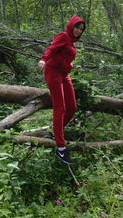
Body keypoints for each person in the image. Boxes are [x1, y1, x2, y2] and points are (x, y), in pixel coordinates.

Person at [38, 15, 85, 164]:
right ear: (71, 26)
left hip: (64, 74)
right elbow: (51, 48)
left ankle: (55, 131)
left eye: (81, 29)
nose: (78, 31)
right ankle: (61, 148)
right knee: (60, 108)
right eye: (77, 27)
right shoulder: (64, 36)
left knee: (72, 107)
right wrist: (43, 59)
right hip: (53, 72)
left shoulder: (72, 41)